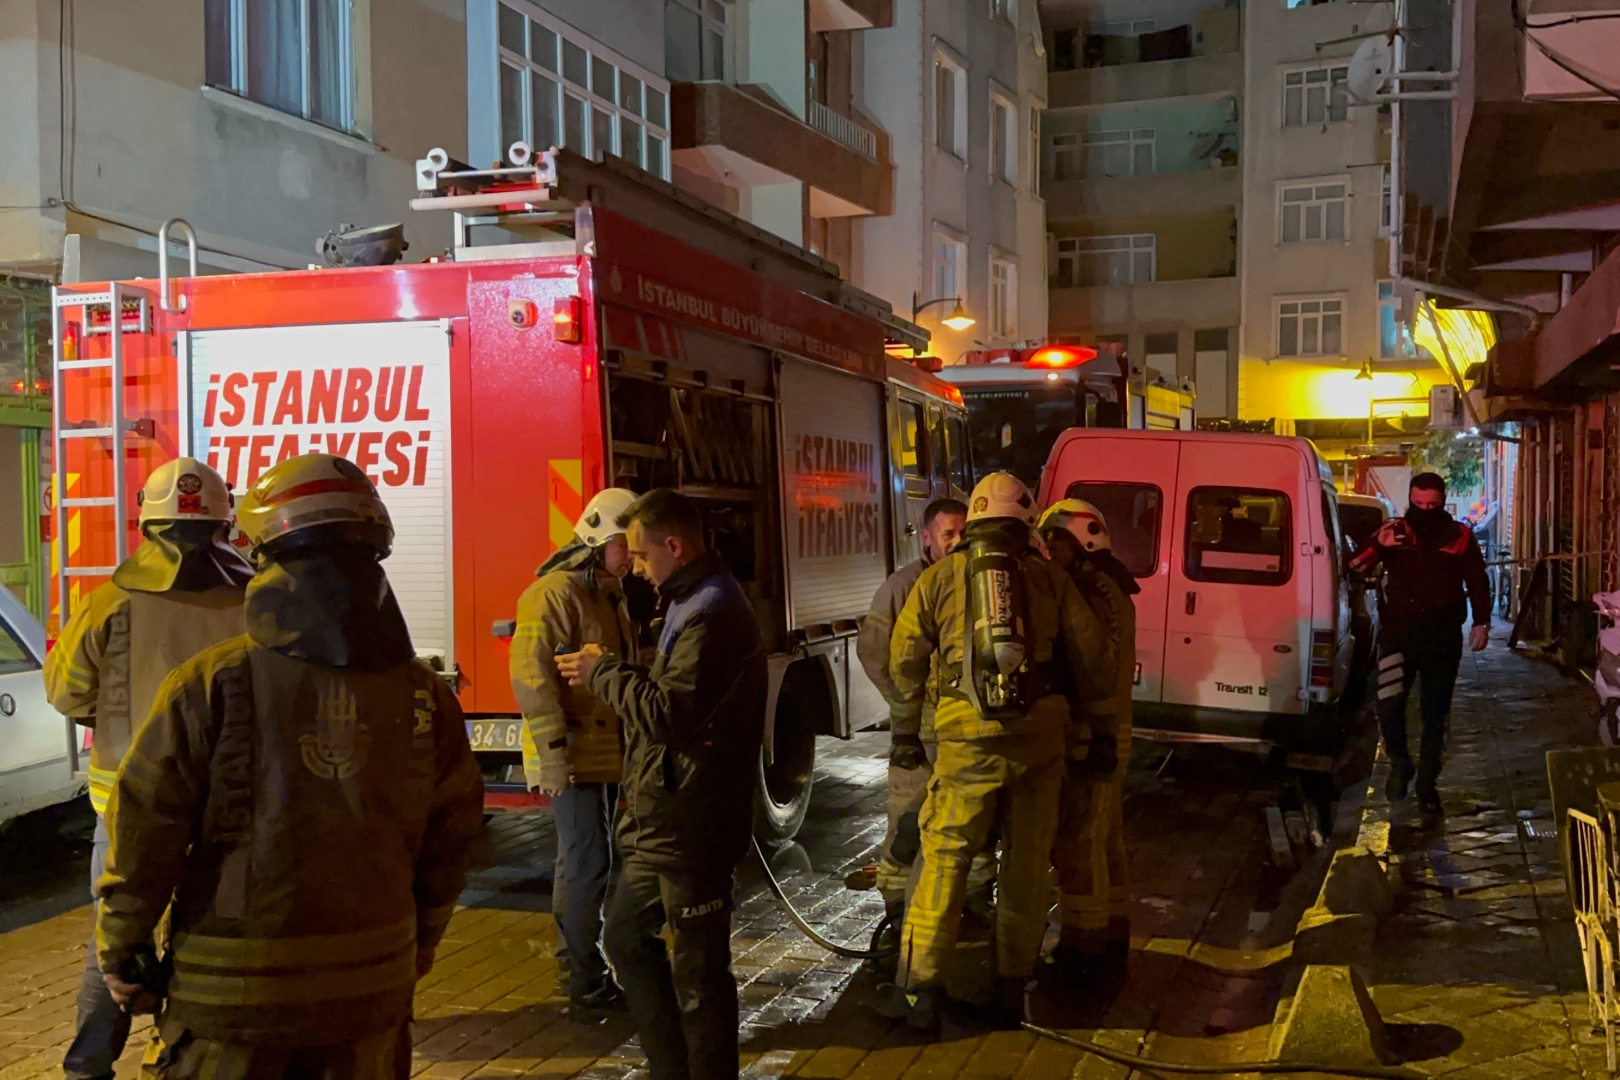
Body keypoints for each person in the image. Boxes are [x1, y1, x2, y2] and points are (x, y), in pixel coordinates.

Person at [94, 454, 485, 1080]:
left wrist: (122, 950)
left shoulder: (212, 683)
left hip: (233, 1012)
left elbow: (147, 829)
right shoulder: (425, 695)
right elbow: (453, 835)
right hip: (372, 1004)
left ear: (265, 556)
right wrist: (423, 940)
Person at [44, 458, 252, 1080]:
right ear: (227, 520)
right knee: (216, 930)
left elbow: (66, 693)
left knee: (116, 938)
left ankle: (88, 1065)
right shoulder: (258, 596)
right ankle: (194, 1051)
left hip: (126, 802)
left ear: (145, 520)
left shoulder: (109, 599)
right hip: (231, 801)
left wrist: (119, 714)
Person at [881, 472, 1112, 1030]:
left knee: (945, 860)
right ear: (1023, 525)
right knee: (1028, 868)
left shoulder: (940, 577)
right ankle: (1011, 988)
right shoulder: (1050, 579)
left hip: (966, 742)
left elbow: (904, 659)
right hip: (1040, 743)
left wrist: (906, 731)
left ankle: (918, 993)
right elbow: (1094, 658)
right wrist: (1095, 727)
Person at [556, 489, 766, 1080]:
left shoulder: (713, 610)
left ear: (674, 546)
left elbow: (669, 713)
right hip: (664, 820)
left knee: (699, 976)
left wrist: (602, 672)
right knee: (625, 940)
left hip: (694, 822)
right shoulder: (687, 601)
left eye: (644, 557)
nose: (639, 570)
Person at [510, 487, 639, 1022]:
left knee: (582, 862)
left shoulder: (605, 593)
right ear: (596, 539)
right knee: (589, 864)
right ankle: (586, 978)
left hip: (601, 752)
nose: (631, 556)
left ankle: (578, 965)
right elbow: (531, 680)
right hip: (572, 755)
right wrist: (557, 759)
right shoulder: (553, 594)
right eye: (623, 546)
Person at [855, 497, 967, 943]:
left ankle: (963, 911)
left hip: (958, 740)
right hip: (918, 740)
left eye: (964, 533)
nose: (958, 543)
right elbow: (873, 650)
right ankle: (897, 916)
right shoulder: (904, 586)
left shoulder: (969, 581)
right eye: (948, 534)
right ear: (926, 537)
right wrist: (906, 709)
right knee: (907, 827)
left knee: (960, 828)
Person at [1349, 472, 1490, 815]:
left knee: (1435, 713)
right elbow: (1354, 567)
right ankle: (1400, 764)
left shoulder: (1459, 536)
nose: (1425, 510)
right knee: (1389, 705)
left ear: (1442, 500)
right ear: (1410, 500)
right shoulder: (1394, 532)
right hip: (1398, 635)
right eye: (1418, 504)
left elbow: (1477, 580)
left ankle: (1427, 784)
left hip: (1441, 637)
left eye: (1433, 504)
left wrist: (1482, 622)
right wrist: (1380, 545)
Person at [1037, 499, 1136, 975]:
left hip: (1091, 732)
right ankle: (1112, 933)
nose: (1047, 550)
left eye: (1055, 541)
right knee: (1105, 840)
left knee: (1079, 843)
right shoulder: (1112, 584)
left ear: (1080, 543)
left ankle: (1083, 947)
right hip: (1110, 730)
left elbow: (1090, 664)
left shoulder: (1091, 590)